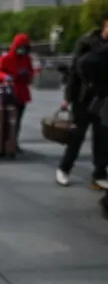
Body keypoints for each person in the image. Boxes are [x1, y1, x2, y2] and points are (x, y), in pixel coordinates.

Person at [56, 14, 108, 189]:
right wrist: (68, 98)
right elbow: (74, 71)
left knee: (102, 137)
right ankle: (64, 168)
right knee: (77, 136)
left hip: (103, 99)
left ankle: (100, 173)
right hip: (82, 98)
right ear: (105, 24)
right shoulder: (87, 43)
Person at [0, 33, 35, 151]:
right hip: (9, 92)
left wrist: (28, 74)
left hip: (21, 92)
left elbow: (31, 72)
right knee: (8, 120)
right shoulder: (6, 58)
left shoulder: (27, 59)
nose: (22, 50)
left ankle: (13, 142)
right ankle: (6, 142)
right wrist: (6, 77)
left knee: (18, 120)